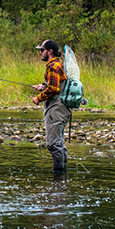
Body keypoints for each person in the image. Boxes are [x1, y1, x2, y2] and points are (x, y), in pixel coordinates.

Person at [32, 40, 70, 173]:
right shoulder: (57, 65)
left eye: (42, 50)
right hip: (60, 108)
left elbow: (53, 89)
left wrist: (39, 98)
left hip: (56, 109)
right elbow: (54, 85)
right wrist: (43, 87)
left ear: (50, 51)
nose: (40, 53)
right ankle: (62, 179)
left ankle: (59, 179)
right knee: (58, 143)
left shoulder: (53, 66)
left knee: (53, 144)